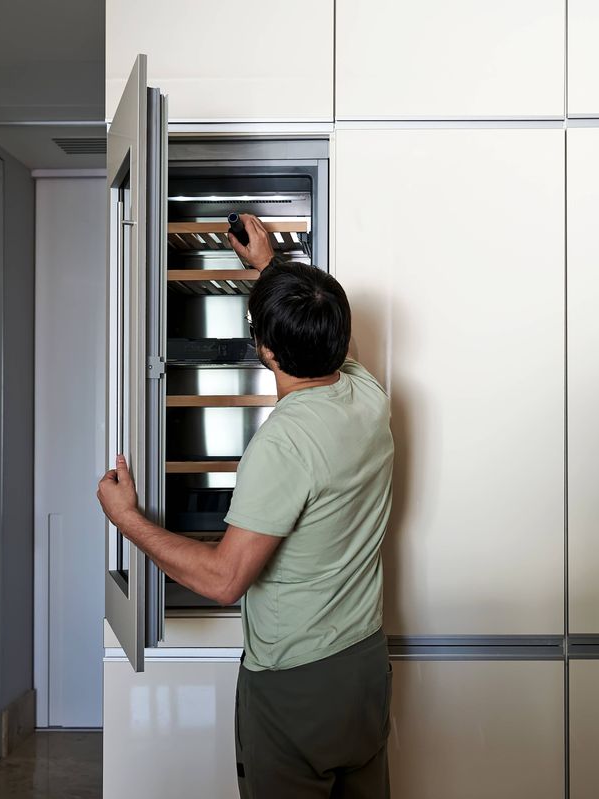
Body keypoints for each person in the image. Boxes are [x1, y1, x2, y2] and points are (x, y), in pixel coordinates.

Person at [97, 213, 395, 798]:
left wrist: (126, 518)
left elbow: (225, 579)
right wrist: (268, 267)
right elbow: (324, 335)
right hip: (363, 665)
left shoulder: (283, 443)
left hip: (296, 682)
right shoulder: (366, 394)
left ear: (264, 350)